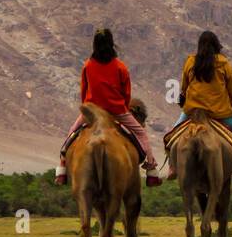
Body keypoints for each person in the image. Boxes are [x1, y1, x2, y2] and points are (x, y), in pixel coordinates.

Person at [55, 28, 161, 185]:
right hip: (117, 111)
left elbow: (84, 91)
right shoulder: (120, 67)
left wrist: (87, 109)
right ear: (112, 44)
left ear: (94, 45)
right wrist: (122, 108)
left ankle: (62, 168)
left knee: (71, 134)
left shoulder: (88, 66)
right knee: (141, 133)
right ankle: (151, 170)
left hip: (92, 111)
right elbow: (126, 93)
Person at [168, 30, 232, 186]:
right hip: (219, 113)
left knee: (172, 135)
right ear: (217, 45)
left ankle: (172, 166)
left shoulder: (190, 61)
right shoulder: (224, 63)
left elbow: (184, 87)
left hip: (192, 112)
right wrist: (225, 107)